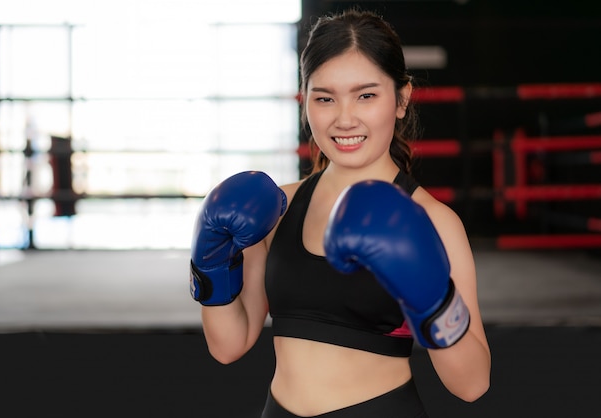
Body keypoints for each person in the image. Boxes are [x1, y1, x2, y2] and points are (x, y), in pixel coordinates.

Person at [189, 8, 491, 418]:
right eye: (325, 98)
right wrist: (210, 261)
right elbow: (228, 345)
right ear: (305, 101)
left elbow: (472, 385)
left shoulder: (431, 220)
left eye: (366, 95)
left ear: (401, 99)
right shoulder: (280, 206)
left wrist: (434, 300)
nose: (344, 118)